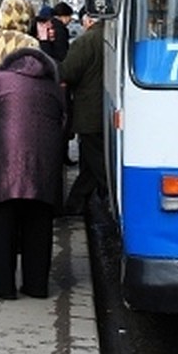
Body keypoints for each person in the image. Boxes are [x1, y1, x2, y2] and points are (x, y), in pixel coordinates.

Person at [0, 45, 65, 299]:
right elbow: (66, 123)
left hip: (6, 161)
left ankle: (1, 286)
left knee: (4, 222)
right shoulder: (53, 87)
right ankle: (36, 285)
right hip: (46, 163)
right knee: (39, 224)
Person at [60, 13, 106, 215]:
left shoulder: (86, 41)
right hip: (107, 112)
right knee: (90, 164)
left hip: (90, 112)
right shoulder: (112, 37)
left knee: (96, 163)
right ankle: (76, 203)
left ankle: (106, 200)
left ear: (89, 21)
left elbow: (68, 72)